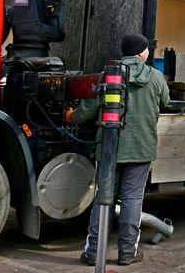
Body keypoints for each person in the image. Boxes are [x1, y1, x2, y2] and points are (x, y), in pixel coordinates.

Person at [67, 33, 170, 267]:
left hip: (110, 148)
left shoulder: (109, 75)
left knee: (103, 200)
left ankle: (93, 253)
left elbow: (88, 110)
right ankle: (127, 253)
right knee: (133, 199)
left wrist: (71, 115)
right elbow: (166, 102)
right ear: (143, 52)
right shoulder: (156, 77)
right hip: (142, 148)